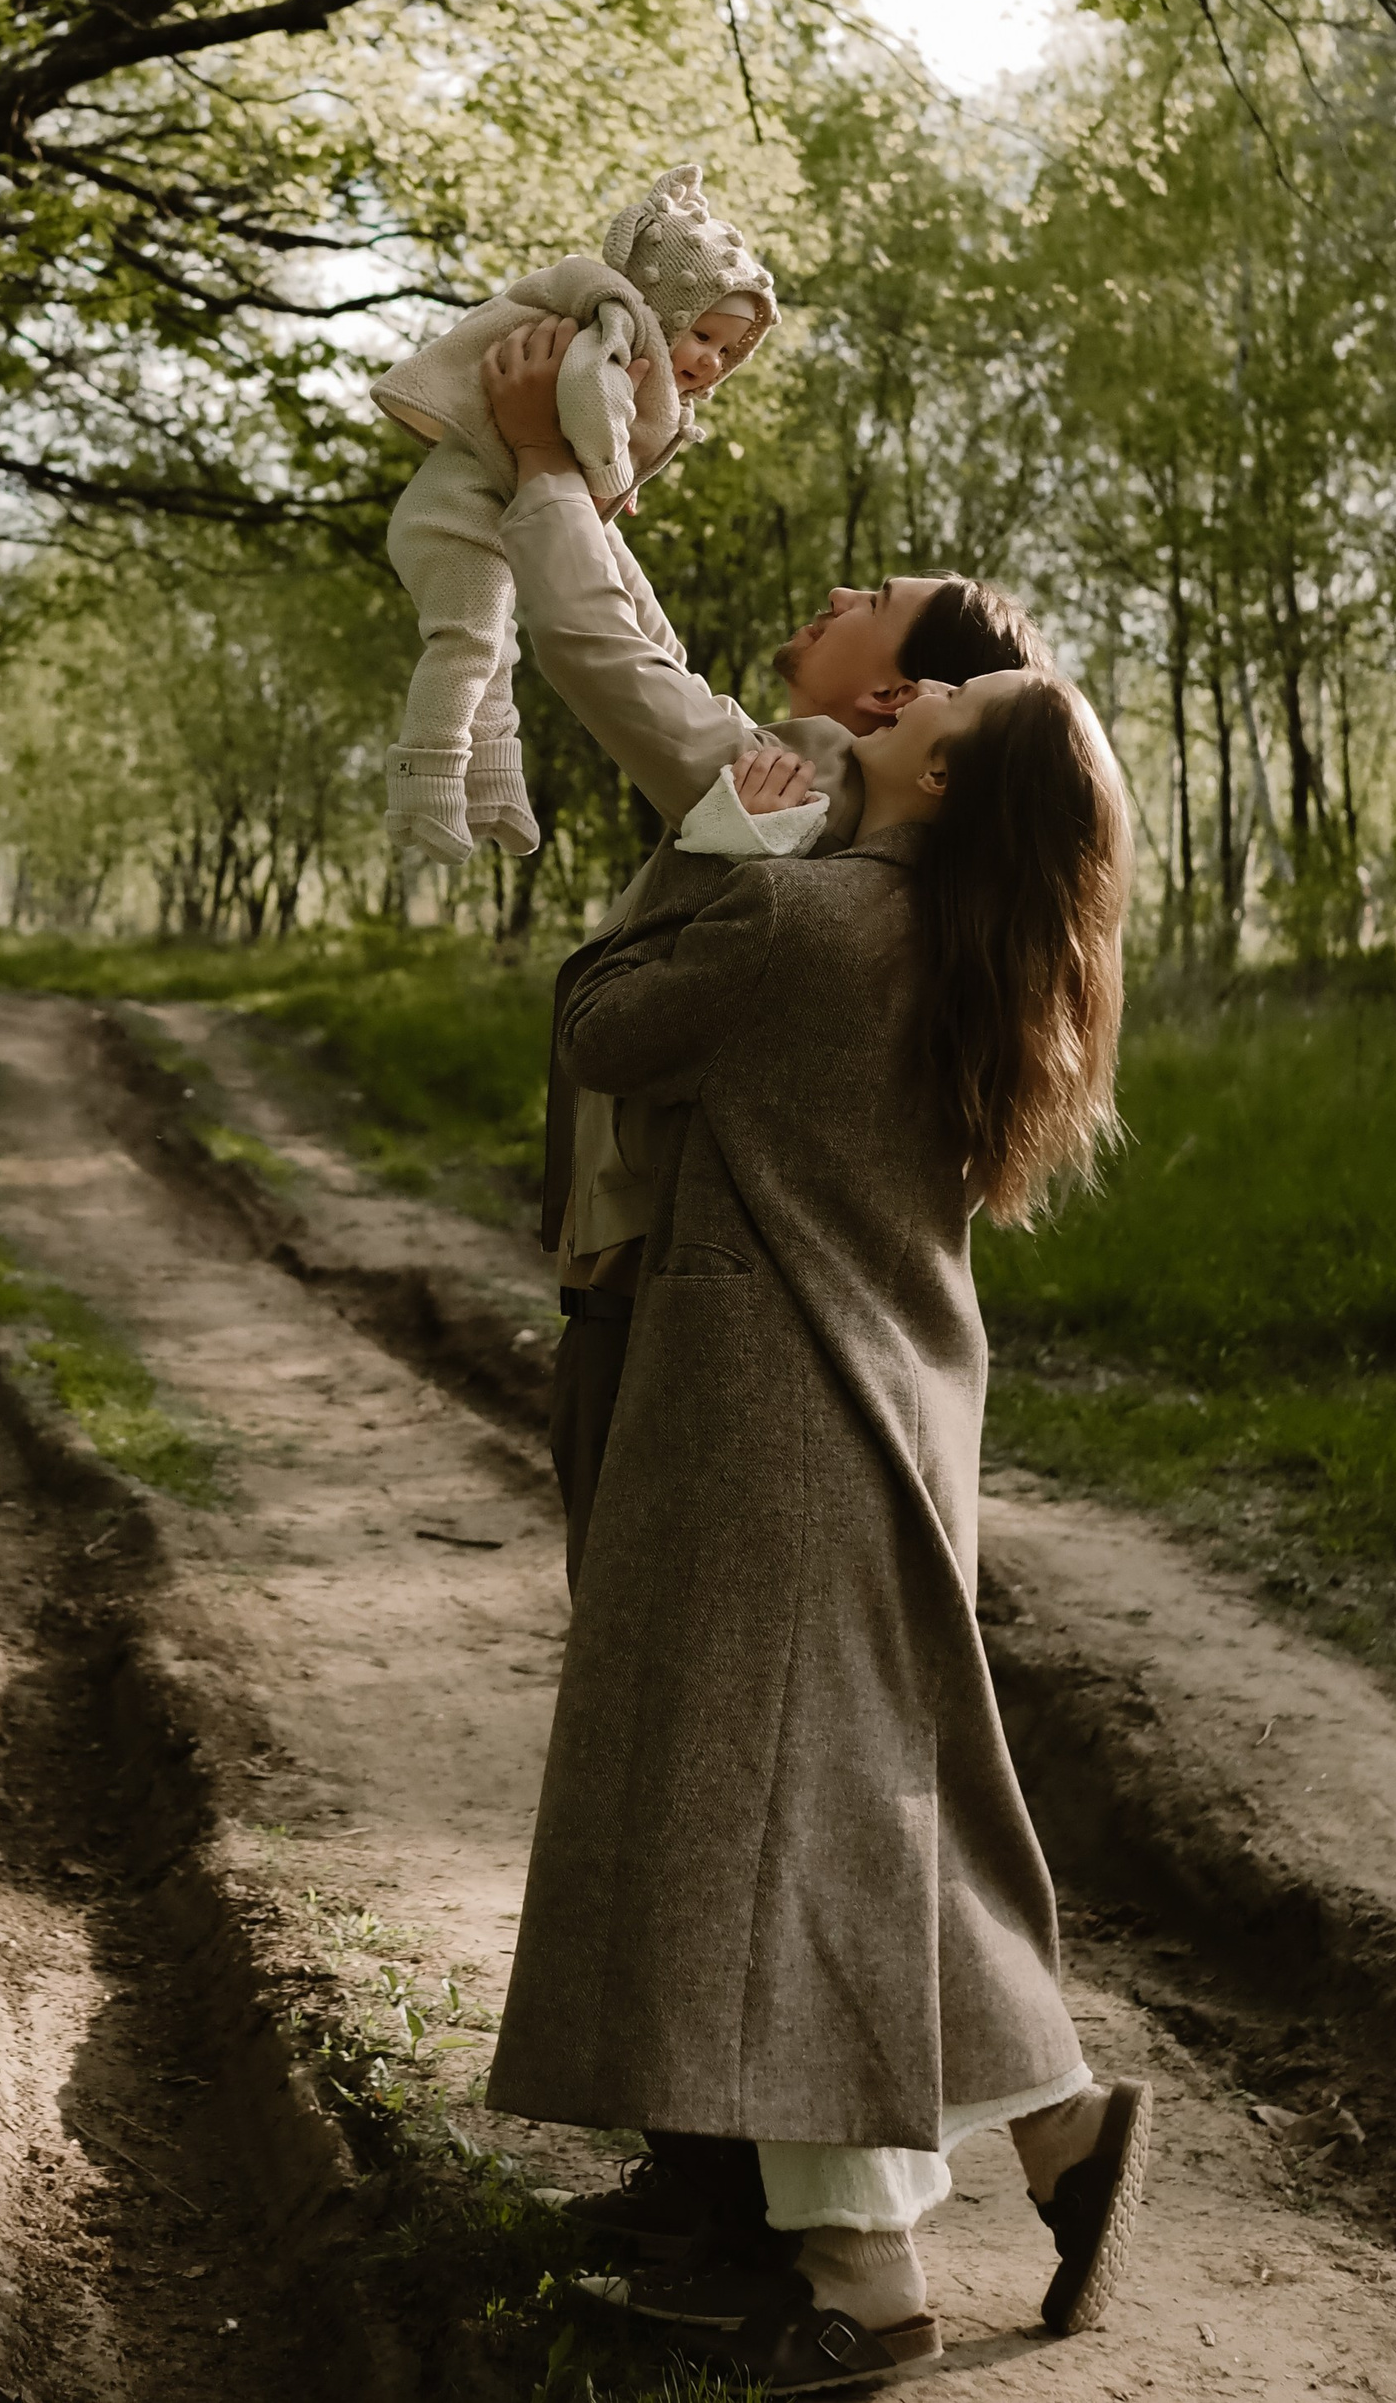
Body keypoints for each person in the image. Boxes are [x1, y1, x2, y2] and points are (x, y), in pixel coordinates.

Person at [486, 672, 1149, 2390]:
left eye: (950, 689)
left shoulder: (803, 913)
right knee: (846, 1807)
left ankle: (865, 2277)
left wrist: (726, 833)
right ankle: (1061, 2126)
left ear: (941, 769)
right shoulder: (979, 945)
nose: (912, 683)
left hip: (760, 1421)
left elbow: (595, 1028)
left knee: (772, 1849)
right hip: (891, 1405)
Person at [475, 316, 1053, 2280]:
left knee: (741, 1768)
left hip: (718, 1331)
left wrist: (552, 469)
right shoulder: (855, 828)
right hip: (746, 1318)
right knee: (722, 1758)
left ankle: (893, 2181)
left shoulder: (799, 798)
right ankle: (733, 2168)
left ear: (895, 699)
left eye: (861, 599)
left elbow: (604, 665)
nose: (821, 597)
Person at [373, 163, 777, 866]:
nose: (712, 362)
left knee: (498, 649)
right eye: (704, 337)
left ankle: (494, 785)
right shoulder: (615, 330)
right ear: (668, 310)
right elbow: (590, 397)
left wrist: (609, 483)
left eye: (725, 349)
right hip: (456, 516)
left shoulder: (641, 352)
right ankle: (425, 782)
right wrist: (611, 469)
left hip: (491, 514)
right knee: (468, 646)